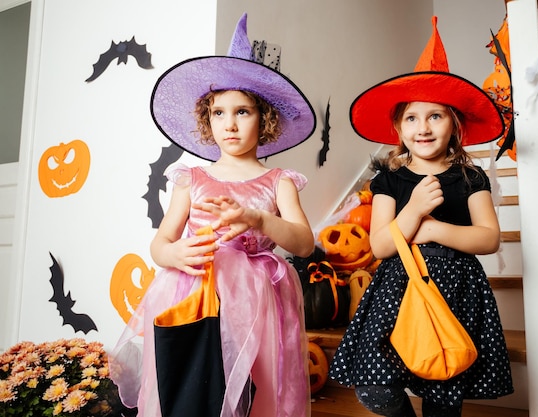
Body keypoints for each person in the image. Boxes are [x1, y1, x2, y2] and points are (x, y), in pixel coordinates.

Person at [110, 13, 316, 417]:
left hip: (257, 300)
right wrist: (174, 255)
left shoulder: (279, 181)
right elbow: (161, 242)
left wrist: (258, 220)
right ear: (207, 120)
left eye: (243, 112)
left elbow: (304, 242)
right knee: (191, 385)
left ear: (266, 118)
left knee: (252, 389)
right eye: (219, 113)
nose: (230, 124)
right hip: (193, 290)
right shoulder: (191, 178)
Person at [328, 16, 514, 417]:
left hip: (455, 289)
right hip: (398, 285)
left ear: (455, 124)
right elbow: (378, 244)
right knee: (375, 386)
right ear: (398, 126)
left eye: (436, 116)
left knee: (442, 389)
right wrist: (412, 211)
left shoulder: (469, 176)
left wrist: (434, 227)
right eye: (412, 117)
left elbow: (488, 239)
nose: (423, 128)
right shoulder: (389, 179)